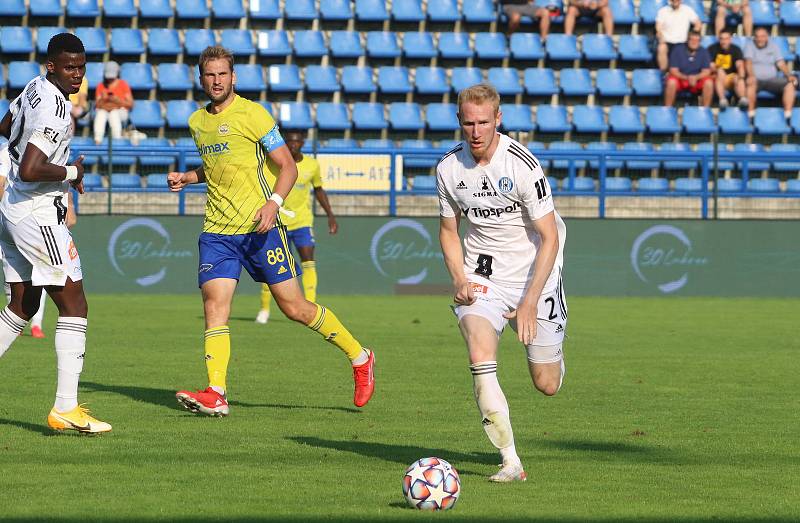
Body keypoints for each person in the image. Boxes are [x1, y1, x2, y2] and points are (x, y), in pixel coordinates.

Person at [170, 46, 374, 417]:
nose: (215, 81)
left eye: (222, 74)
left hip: (260, 227)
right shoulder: (197, 122)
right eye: (209, 75)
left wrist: (274, 203)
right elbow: (216, 166)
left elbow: (287, 167)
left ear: (233, 77)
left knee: (294, 307)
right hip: (217, 232)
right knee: (214, 307)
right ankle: (216, 392)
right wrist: (189, 177)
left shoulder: (254, 114)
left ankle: (360, 357)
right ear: (201, 79)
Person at [437, 84, 567, 483]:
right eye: (467, 123)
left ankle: (555, 354)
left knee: (546, 384)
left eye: (483, 123)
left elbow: (550, 236)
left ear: (498, 119)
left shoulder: (522, 165)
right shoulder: (448, 169)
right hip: (484, 276)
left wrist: (529, 302)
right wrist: (460, 278)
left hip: (535, 275)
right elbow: (448, 230)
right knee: (479, 355)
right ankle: (510, 461)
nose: (475, 132)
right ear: (460, 121)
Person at [0, 33, 111, 433]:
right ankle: (66, 407)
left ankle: (66, 407)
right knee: (75, 304)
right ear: (52, 66)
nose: (77, 75)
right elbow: (32, 168)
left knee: (22, 307)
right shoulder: (56, 109)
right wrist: (72, 172)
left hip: (12, 206)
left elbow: (5, 125)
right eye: (69, 67)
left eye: (81, 67)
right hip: (37, 213)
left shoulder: (33, 86)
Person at [256, 129, 338, 324]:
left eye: (297, 141)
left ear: (302, 142)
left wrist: (330, 215)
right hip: (277, 222)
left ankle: (311, 306)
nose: (293, 144)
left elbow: (319, 190)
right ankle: (264, 310)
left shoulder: (312, 165)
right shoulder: (275, 162)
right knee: (272, 266)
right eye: (290, 141)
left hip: (302, 222)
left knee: (308, 261)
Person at [744, 26, 798, 120]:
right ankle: (750, 115)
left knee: (790, 85)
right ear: (755, 37)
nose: (760, 39)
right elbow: (748, 63)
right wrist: (751, 76)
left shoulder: (774, 46)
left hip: (772, 80)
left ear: (767, 37)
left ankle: (788, 116)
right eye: (757, 36)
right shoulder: (749, 45)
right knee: (750, 84)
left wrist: (789, 75)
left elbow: (780, 63)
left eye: (762, 36)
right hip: (756, 80)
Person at [665, 30, 714, 107]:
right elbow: (673, 70)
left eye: (697, 40)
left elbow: (706, 71)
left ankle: (705, 110)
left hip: (697, 79)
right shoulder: (677, 50)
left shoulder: (704, 51)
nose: (694, 42)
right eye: (692, 40)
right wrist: (687, 78)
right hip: (681, 78)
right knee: (671, 82)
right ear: (687, 40)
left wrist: (696, 77)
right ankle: (668, 109)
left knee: (709, 82)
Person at [93, 61, 132, 145]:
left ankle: (117, 141)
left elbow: (130, 104)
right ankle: (97, 141)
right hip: (104, 110)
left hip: (120, 111)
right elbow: (97, 105)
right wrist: (103, 99)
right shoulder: (100, 86)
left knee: (113, 114)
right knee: (101, 114)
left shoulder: (123, 84)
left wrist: (117, 100)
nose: (110, 79)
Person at [656, 0, 702, 71]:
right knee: (661, 47)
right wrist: (661, 37)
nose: (675, 1)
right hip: (667, 41)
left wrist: (691, 36)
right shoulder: (663, 11)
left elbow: (698, 24)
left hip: (683, 42)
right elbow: (658, 28)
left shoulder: (687, 10)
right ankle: (663, 72)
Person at [708, 28, 748, 109]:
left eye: (726, 39)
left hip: (730, 78)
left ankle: (742, 99)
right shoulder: (712, 49)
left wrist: (741, 73)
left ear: (730, 39)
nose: (723, 41)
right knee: (719, 72)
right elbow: (710, 65)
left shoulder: (736, 49)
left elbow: (739, 64)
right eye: (721, 39)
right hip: (716, 77)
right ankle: (722, 100)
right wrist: (718, 69)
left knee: (738, 77)